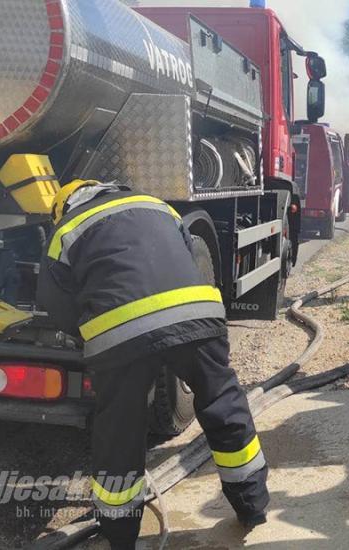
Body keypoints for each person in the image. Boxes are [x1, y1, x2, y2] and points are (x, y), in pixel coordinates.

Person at [37, 180, 269, 549]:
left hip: (121, 335)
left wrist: (86, 332)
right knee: (223, 402)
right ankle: (252, 505)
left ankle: (120, 535)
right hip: (197, 315)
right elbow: (182, 255)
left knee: (120, 430)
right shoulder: (158, 204)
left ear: (64, 205)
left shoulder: (65, 229)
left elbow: (56, 304)